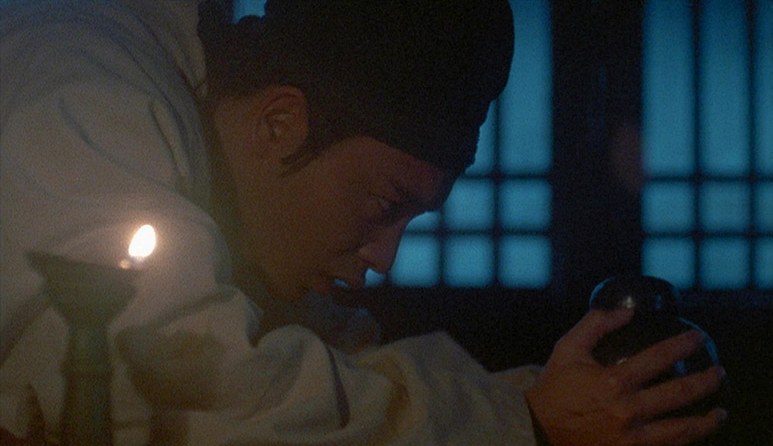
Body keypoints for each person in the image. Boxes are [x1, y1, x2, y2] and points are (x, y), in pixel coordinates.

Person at [0, 0, 728, 444]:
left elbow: (327, 370)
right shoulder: (84, 86)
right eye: (384, 206)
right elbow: (186, 387)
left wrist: (540, 404)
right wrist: (521, 422)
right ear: (280, 122)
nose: (383, 257)